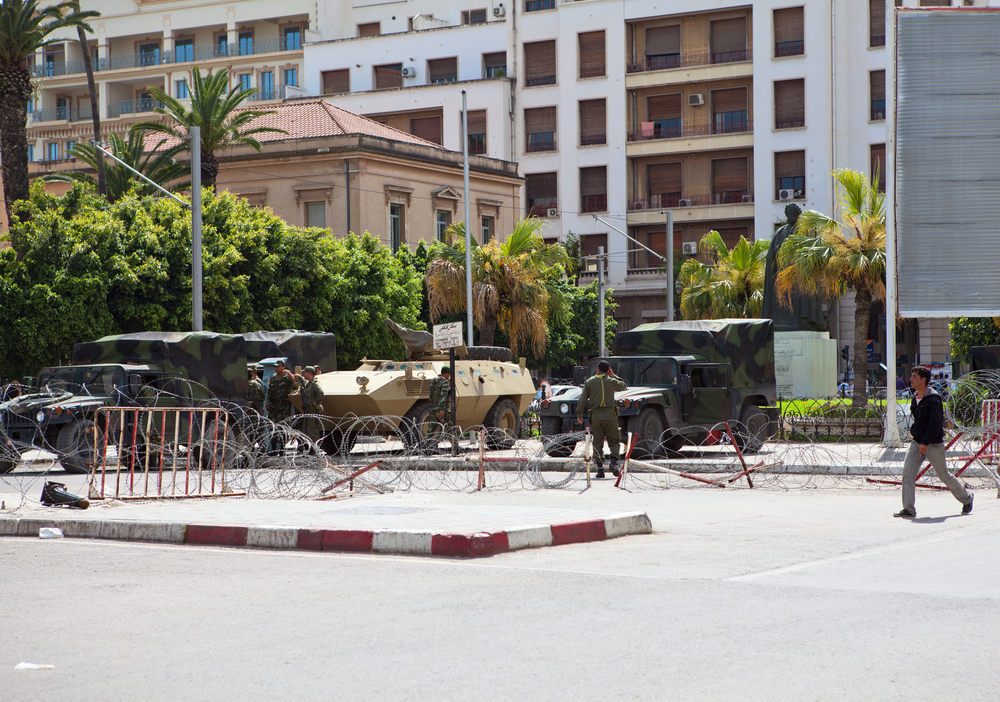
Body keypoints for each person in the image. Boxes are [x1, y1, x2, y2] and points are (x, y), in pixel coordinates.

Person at [894, 365, 973, 518]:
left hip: (933, 444)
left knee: (944, 475)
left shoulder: (933, 399)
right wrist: (915, 435)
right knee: (908, 474)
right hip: (917, 442)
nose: (910, 379)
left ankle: (966, 498)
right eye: (911, 376)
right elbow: (918, 422)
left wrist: (925, 443)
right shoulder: (915, 399)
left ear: (923, 380)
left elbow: (935, 425)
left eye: (914, 376)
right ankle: (908, 509)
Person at [576, 360, 627, 479]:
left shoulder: (589, 382)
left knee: (597, 442)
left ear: (597, 368)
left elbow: (582, 399)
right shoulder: (612, 381)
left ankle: (600, 470)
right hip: (610, 415)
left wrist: (579, 413)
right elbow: (623, 385)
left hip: (596, 416)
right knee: (614, 440)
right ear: (608, 370)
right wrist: (613, 375)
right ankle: (613, 463)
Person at [426, 366, 452, 448]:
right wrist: (442, 409)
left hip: (433, 408)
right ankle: (455, 447)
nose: (449, 376)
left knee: (431, 430)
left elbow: (431, 395)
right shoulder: (444, 382)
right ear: (446, 373)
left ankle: (425, 446)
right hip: (441, 410)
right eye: (449, 374)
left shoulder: (433, 381)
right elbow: (443, 396)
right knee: (449, 428)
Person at [299, 366, 324, 443]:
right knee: (305, 430)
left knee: (312, 431)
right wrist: (299, 377)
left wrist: (316, 402)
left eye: (305, 372)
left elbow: (321, 392)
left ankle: (314, 449)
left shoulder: (315, 383)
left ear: (309, 373)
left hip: (313, 410)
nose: (304, 374)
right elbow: (305, 384)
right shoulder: (309, 384)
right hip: (308, 410)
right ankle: (310, 447)